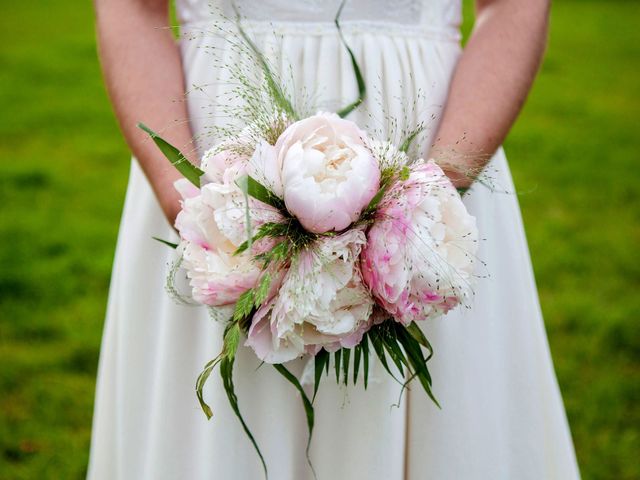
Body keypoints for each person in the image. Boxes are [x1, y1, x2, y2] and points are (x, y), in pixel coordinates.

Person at [88, 0, 581, 478]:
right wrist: (202, 207)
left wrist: (426, 204)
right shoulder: (205, 195)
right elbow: (132, 7)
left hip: (433, 135)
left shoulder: (431, 192)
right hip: (216, 144)